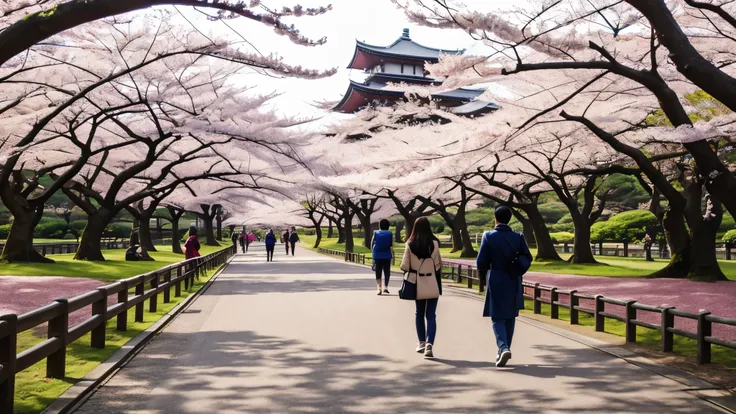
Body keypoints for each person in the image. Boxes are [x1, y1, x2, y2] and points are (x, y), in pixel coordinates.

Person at [476, 206, 532, 368]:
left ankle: (503, 347)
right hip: (514, 279)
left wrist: (482, 280)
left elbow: (481, 262)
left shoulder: (489, 236)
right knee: (510, 315)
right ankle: (504, 349)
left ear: (496, 218)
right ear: (509, 219)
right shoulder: (518, 237)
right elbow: (527, 257)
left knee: (497, 316)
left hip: (496, 277)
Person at [399, 217, 442, 359]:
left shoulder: (410, 244)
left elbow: (404, 266)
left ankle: (422, 342)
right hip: (432, 281)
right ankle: (430, 343)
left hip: (417, 283)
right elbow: (438, 264)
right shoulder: (434, 244)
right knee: (431, 315)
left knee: (419, 313)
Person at [371, 219, 394, 295]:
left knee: (378, 271)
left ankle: (379, 287)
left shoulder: (376, 233)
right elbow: (391, 244)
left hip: (377, 255)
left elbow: (372, 243)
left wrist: (373, 251)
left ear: (380, 225)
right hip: (387, 254)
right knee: (387, 271)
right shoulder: (390, 233)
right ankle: (386, 287)